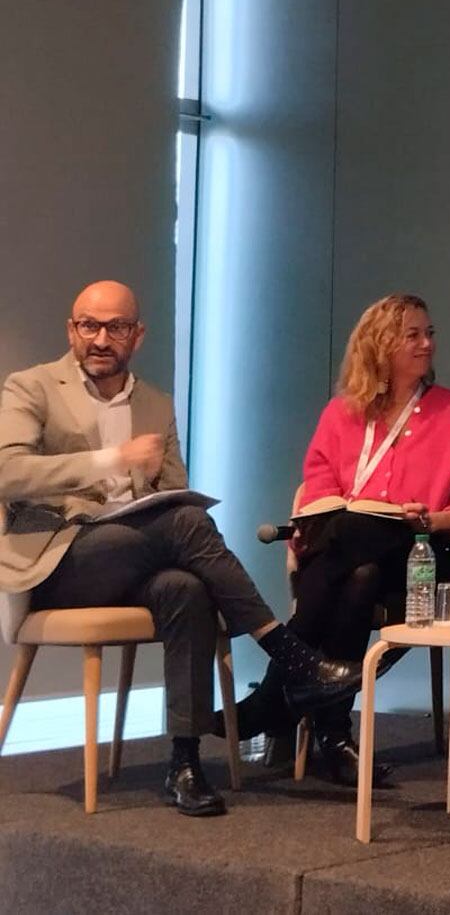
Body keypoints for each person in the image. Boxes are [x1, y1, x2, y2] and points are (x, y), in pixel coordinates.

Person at [0, 281, 361, 817]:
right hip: (61, 561)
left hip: (138, 554)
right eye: (88, 326)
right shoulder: (31, 387)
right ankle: (289, 658)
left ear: (137, 336)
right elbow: (8, 472)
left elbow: (171, 491)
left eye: (116, 327)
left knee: (186, 587)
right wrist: (111, 459)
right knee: (187, 524)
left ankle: (184, 761)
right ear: (71, 330)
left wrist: (153, 493)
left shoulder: (155, 403)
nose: (101, 339)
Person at [230, 294, 450, 784]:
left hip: (424, 554)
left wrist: (437, 519)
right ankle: (335, 736)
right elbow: (317, 490)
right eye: (413, 335)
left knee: (354, 543)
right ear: (379, 347)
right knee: (360, 570)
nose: (427, 344)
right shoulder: (341, 414)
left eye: (429, 332)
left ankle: (276, 693)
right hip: (356, 563)